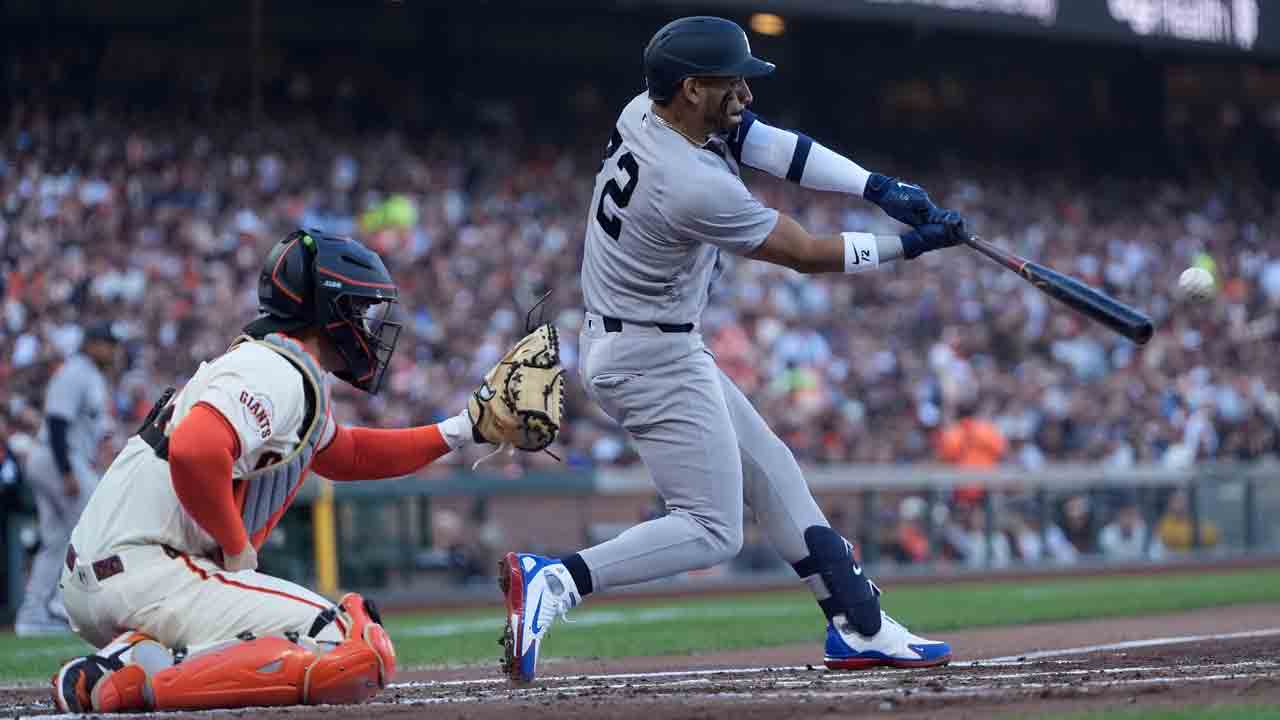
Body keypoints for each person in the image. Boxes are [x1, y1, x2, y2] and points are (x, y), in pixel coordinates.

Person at [496, 16, 966, 684]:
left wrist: (878, 187)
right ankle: (559, 579)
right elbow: (806, 253)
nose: (746, 94)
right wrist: (909, 246)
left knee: (774, 471)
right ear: (692, 88)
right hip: (648, 356)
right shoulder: (690, 183)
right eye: (732, 83)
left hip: (648, 340)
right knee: (712, 529)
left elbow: (767, 143)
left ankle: (858, 624)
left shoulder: (646, 109)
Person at [48, 230, 519, 713]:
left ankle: (127, 662)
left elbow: (348, 453)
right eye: (359, 309)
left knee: (334, 642)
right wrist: (236, 546)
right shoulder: (278, 370)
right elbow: (194, 450)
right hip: (152, 570)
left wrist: (462, 429)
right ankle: (137, 685)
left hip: (116, 576)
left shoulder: (274, 363)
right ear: (329, 309)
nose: (367, 325)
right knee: (352, 647)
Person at [14, 321, 121, 637]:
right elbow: (57, 422)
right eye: (107, 344)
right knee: (92, 527)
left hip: (62, 458)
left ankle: (33, 614)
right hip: (57, 458)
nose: (111, 350)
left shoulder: (90, 375)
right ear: (91, 344)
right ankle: (61, 604)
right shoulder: (75, 372)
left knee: (57, 540)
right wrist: (66, 472)